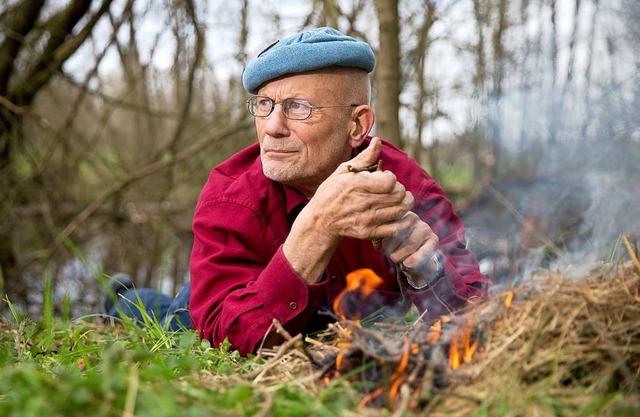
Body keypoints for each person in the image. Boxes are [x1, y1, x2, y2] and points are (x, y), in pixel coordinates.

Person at [103, 27, 490, 355]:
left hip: (328, 316)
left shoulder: (407, 186)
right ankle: (120, 296)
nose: (272, 127)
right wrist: (317, 227)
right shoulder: (230, 194)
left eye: (298, 107)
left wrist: (429, 271)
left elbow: (478, 305)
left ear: (357, 125)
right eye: (265, 105)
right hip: (246, 287)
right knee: (176, 319)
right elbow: (222, 333)